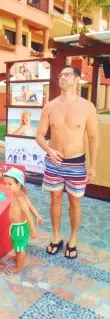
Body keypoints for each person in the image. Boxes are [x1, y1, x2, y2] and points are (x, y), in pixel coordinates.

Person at [36, 65, 99, 259]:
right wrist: (48, 149)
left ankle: (72, 239)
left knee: (74, 201)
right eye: (60, 74)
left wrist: (93, 165)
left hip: (77, 163)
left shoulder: (87, 107)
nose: (61, 77)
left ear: (77, 80)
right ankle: (56, 237)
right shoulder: (50, 106)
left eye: (67, 74)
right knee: (54, 199)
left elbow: (93, 137)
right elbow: (39, 135)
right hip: (54, 162)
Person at [3, 167, 43, 274]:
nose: (7, 187)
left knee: (20, 248)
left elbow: (28, 214)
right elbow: (31, 206)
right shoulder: (17, 194)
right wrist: (38, 215)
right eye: (5, 183)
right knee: (17, 244)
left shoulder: (20, 199)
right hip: (16, 227)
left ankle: (19, 267)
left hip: (20, 227)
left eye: (10, 184)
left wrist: (33, 230)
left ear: (19, 184)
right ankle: (17, 258)